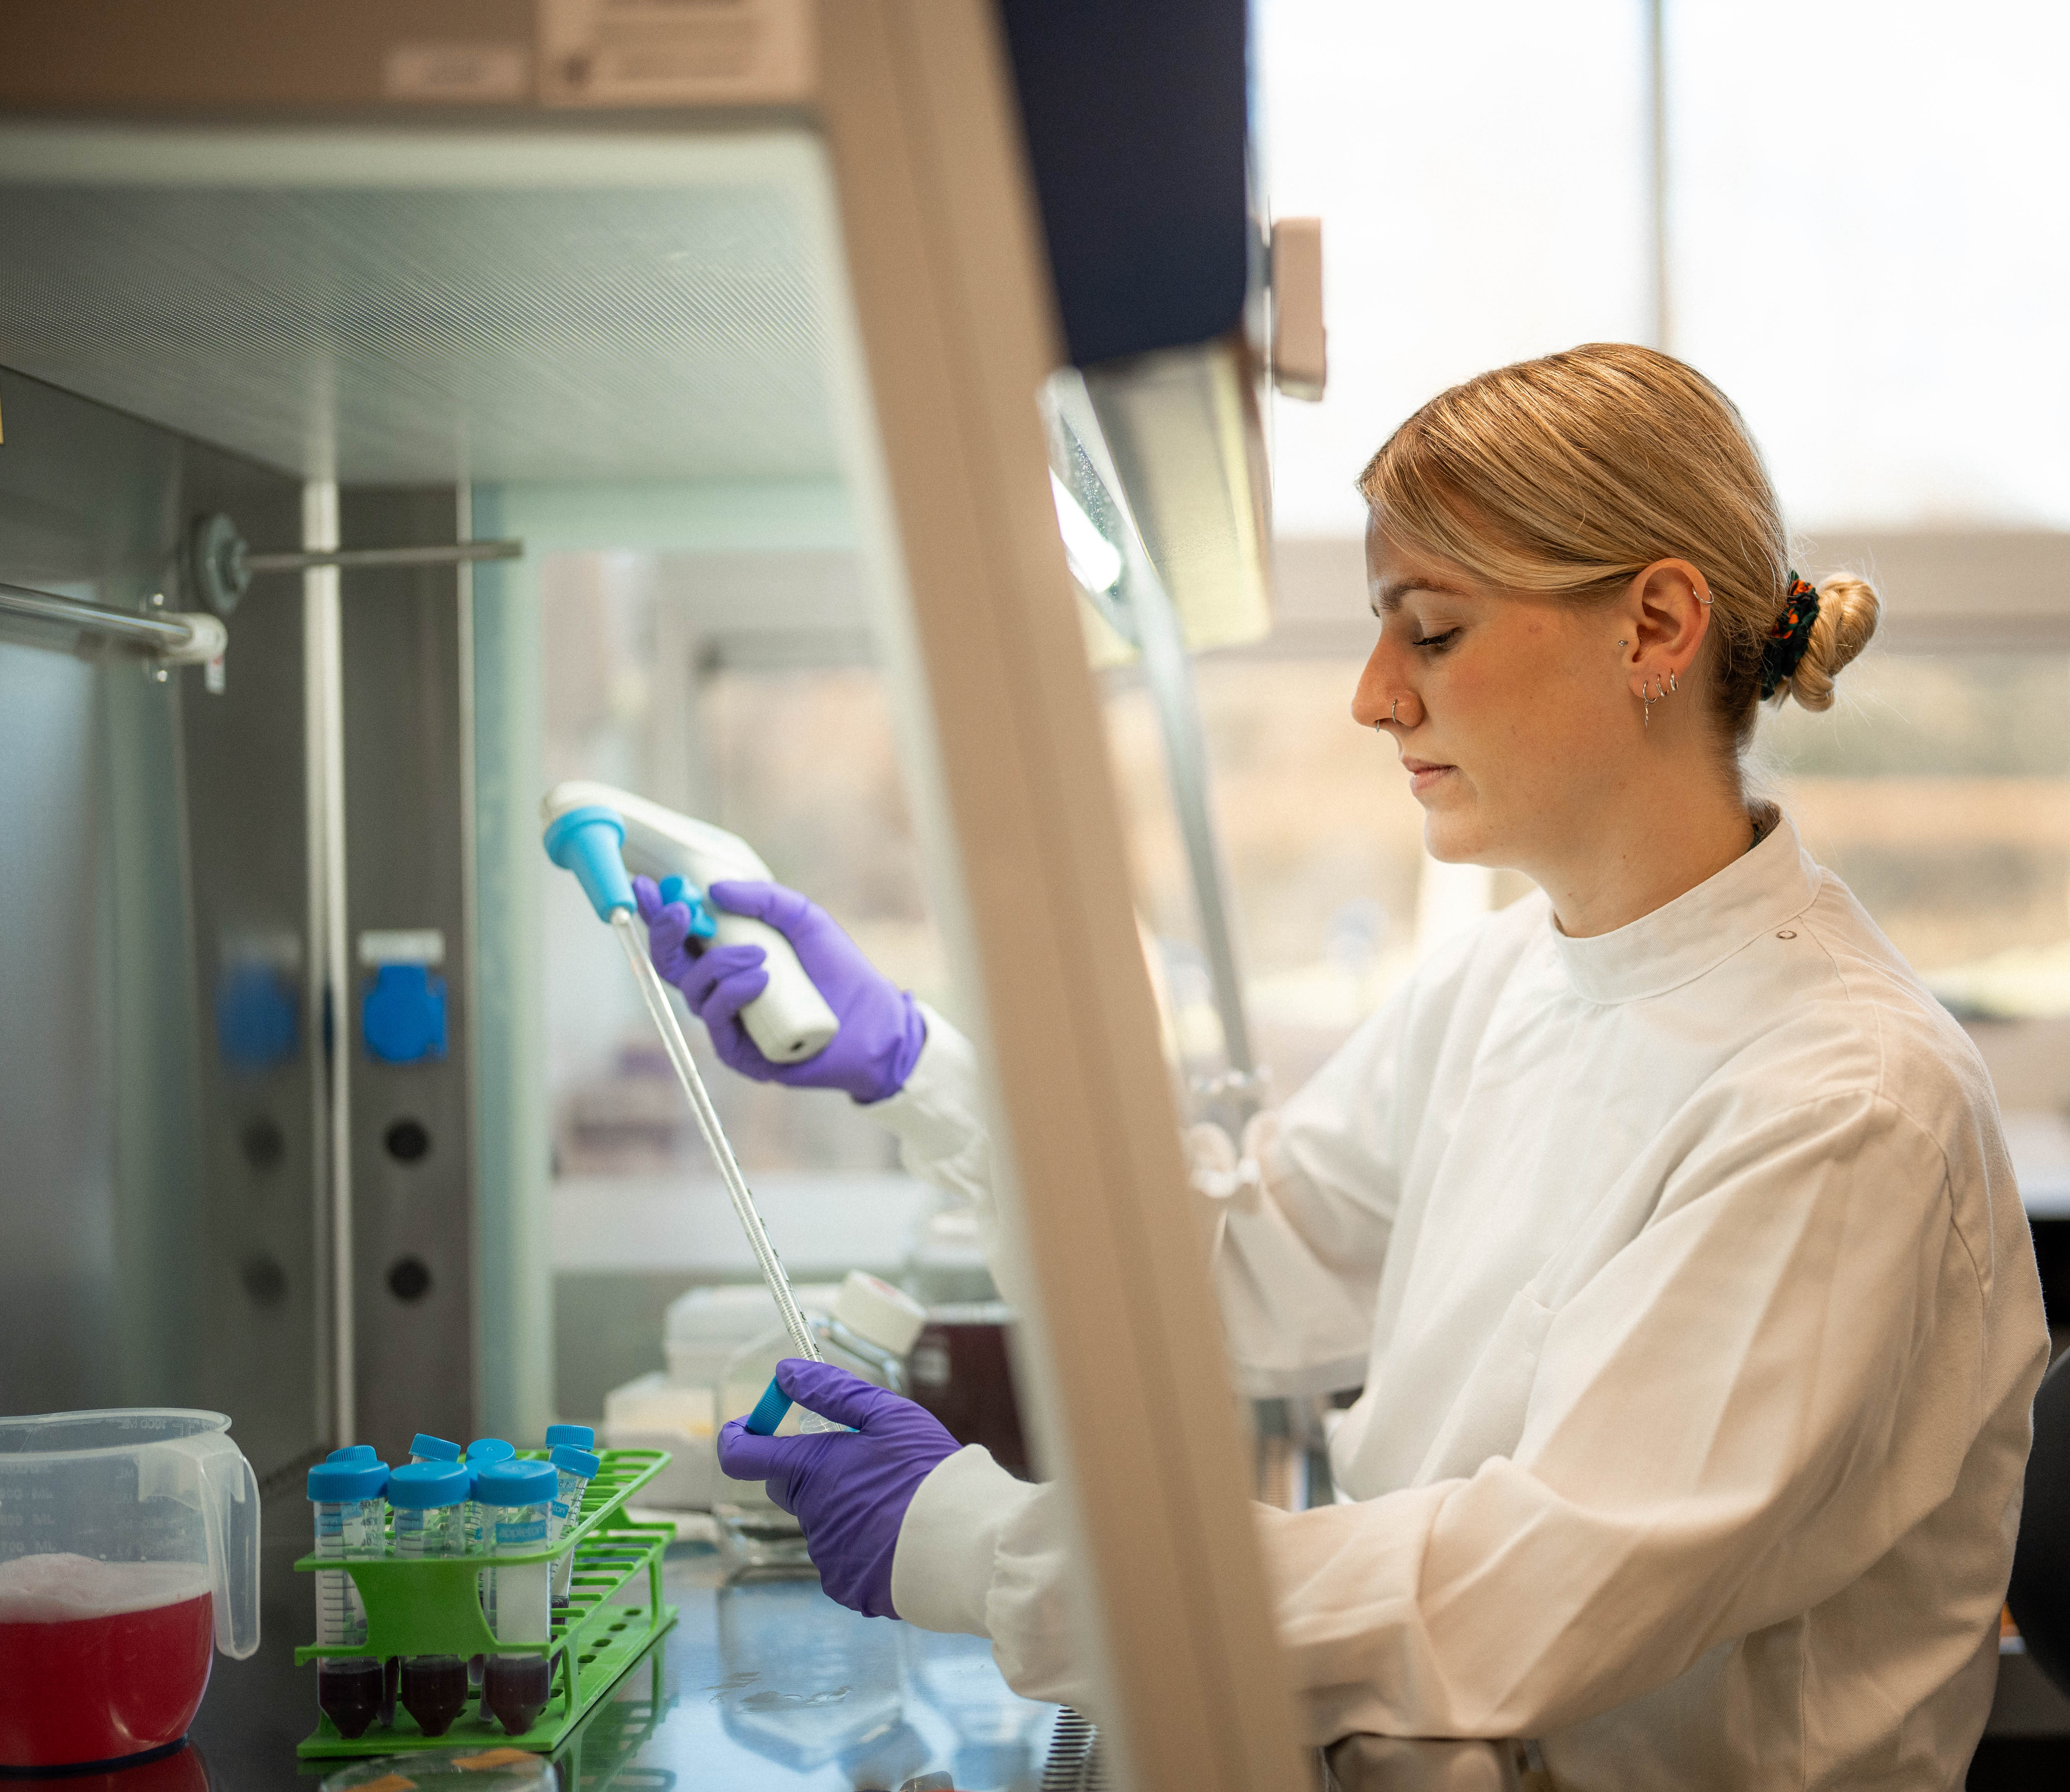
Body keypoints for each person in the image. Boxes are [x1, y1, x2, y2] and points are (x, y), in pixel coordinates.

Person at [635, 344, 2049, 1788]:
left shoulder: (1845, 1102)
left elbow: (1527, 1596)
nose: (1374, 699)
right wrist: (915, 1072)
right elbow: (1252, 1263)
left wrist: (989, 1549)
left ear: (1656, 627)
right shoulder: (1514, 973)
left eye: (1428, 632)